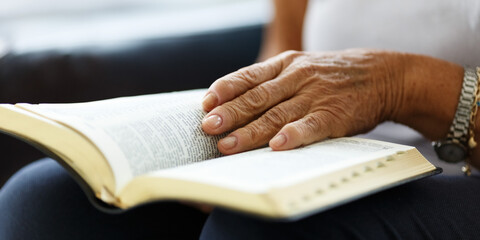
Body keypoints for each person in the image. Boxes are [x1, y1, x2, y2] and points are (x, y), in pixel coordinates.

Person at [1, 0, 479, 239]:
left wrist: (404, 85)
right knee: (46, 202)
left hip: (462, 167)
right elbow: (287, 38)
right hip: (336, 146)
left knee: (267, 230)